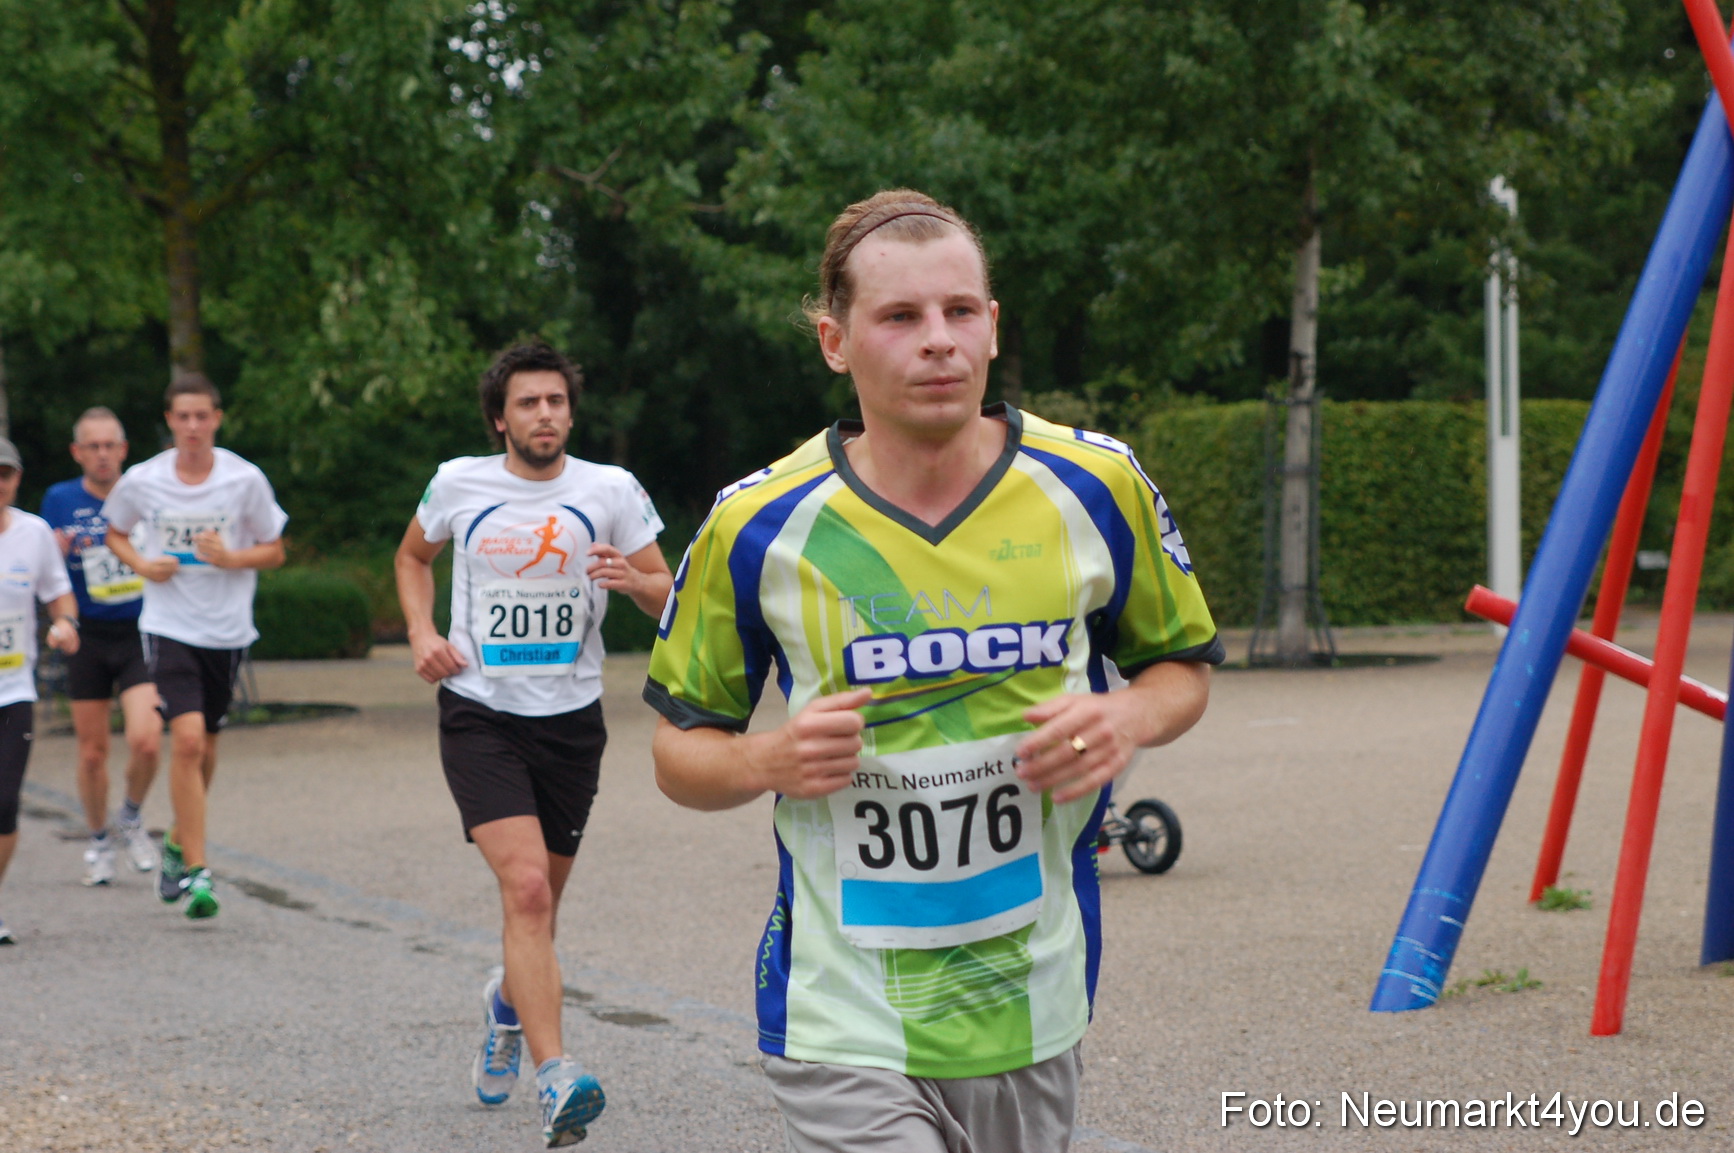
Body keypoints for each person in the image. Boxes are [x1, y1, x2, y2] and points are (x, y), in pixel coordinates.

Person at [645, 190, 1223, 1153]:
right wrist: (764, 761)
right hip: (843, 1010)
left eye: (961, 311)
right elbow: (678, 751)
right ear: (835, 341)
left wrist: (1130, 720)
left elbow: (1182, 669)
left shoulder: (1096, 484)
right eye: (900, 317)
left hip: (1033, 1000)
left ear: (993, 328)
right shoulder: (759, 524)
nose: (939, 341)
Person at [395, 341, 672, 1148]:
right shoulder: (458, 482)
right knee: (527, 893)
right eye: (527, 402)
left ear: (570, 413)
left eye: (555, 401)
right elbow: (414, 555)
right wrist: (421, 631)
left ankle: (507, 1003)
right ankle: (557, 1077)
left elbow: (667, 594)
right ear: (499, 418)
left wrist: (635, 579)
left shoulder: (610, 490)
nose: (544, 414)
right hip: (480, 711)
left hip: (572, 721)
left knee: (541, 905)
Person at [102, 374, 288, 920]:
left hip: (226, 630)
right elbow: (114, 531)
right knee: (184, 743)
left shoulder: (243, 479)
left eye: (201, 416)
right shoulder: (144, 480)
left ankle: (179, 841)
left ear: (217, 418)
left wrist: (233, 558)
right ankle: (199, 873)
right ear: (169, 421)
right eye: (182, 417)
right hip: (168, 625)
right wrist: (139, 564)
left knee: (204, 750)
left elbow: (274, 549)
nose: (191, 427)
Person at [40, 407, 161, 887]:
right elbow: (46, 564)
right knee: (92, 753)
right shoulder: (59, 498)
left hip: (139, 631)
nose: (103, 454)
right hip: (86, 635)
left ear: (124, 450)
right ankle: (98, 839)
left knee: (146, 739)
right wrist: (57, 550)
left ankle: (130, 816)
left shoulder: (147, 493)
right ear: (77, 452)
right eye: (93, 446)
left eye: (111, 445)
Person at [0, 437, 82, 943]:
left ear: (17, 479)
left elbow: (59, 595)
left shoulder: (33, 534)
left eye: (5, 475)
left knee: (4, 803)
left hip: (13, 689)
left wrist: (66, 623)